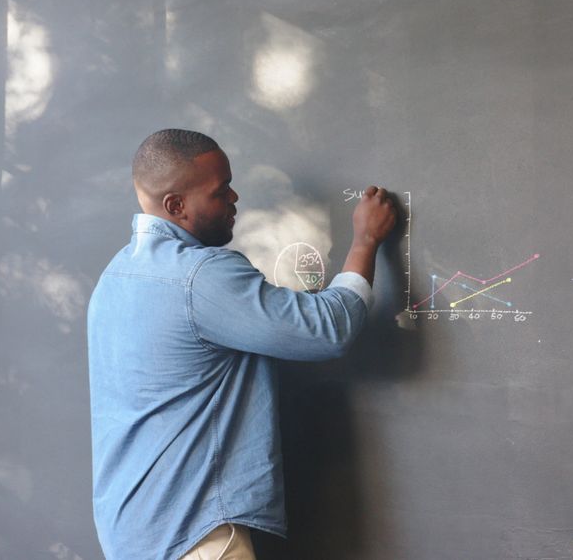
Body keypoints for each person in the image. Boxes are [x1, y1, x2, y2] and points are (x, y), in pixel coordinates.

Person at [87, 129, 397, 560]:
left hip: (133, 533)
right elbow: (329, 328)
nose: (234, 198)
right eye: (219, 192)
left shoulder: (115, 277)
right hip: (195, 538)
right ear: (176, 206)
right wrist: (366, 241)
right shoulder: (200, 277)